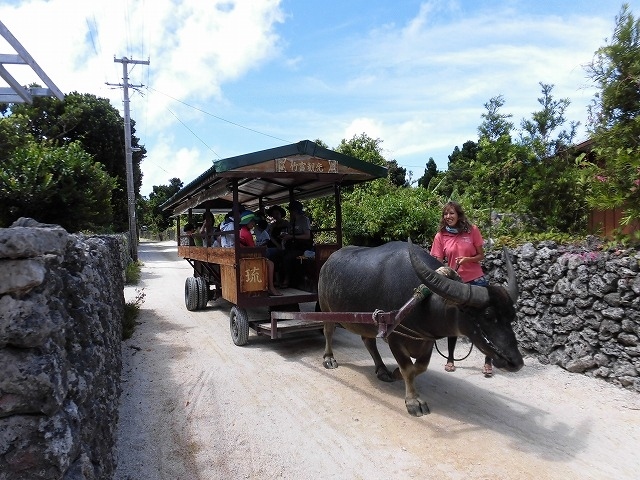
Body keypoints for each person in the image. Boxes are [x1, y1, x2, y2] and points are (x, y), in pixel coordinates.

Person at [430, 201, 494, 378]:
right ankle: (450, 358)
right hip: (456, 283)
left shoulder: (472, 230)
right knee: (453, 319)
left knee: (483, 320)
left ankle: (488, 361)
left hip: (476, 280)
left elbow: (481, 255)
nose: (448, 217)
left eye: (451, 213)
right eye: (445, 214)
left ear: (458, 214)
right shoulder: (440, 236)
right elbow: (435, 260)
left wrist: (467, 260)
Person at [238, 211, 282, 296]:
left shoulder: (242, 231)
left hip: (245, 256)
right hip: (249, 258)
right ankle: (271, 288)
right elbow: (253, 249)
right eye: (252, 221)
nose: (254, 224)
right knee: (270, 264)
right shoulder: (247, 233)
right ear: (248, 222)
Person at [278, 200, 313, 288]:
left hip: (302, 247)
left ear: (295, 211)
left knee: (288, 257)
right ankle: (280, 279)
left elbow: (307, 236)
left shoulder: (304, 220)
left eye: (291, 211)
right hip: (292, 246)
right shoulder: (292, 221)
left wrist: (292, 237)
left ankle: (287, 279)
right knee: (280, 255)